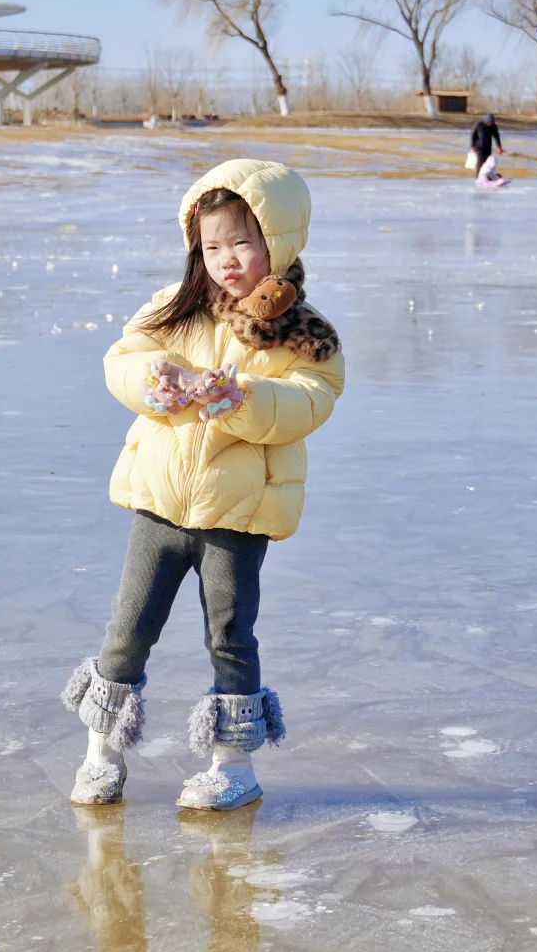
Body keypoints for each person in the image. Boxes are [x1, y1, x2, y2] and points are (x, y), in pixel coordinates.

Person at [61, 159, 345, 812]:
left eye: (242, 242)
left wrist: (244, 397)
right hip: (159, 508)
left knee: (230, 637)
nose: (226, 259)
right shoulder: (175, 306)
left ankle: (233, 766)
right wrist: (154, 380)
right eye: (211, 245)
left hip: (238, 516)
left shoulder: (303, 336)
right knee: (127, 630)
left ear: (280, 239)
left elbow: (314, 398)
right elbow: (123, 359)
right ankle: (101, 755)